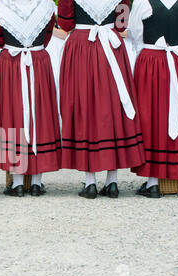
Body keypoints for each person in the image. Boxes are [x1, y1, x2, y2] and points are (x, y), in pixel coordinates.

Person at [57, 0, 146, 199]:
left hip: (81, 46)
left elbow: (65, 24)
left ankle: (90, 182)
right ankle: (112, 180)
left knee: (85, 107)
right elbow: (122, 23)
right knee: (112, 107)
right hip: (112, 46)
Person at [0, 0, 62, 197]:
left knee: (12, 114)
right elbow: (47, 38)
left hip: (11, 62)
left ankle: (17, 182)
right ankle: (37, 182)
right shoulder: (45, 5)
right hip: (38, 61)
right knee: (40, 114)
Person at [128, 0, 178, 198]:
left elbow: (135, 35)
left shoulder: (143, 2)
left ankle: (153, 182)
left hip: (151, 62)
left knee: (151, 117)